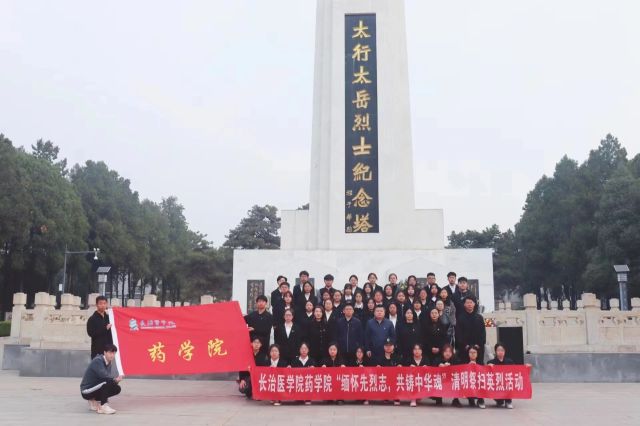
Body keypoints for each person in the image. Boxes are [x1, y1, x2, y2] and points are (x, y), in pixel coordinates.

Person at [80, 343, 122, 414]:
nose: (112, 355)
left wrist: (115, 381)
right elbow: (104, 376)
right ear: (104, 352)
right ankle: (103, 406)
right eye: (110, 353)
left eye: (114, 353)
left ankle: (93, 400)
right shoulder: (98, 361)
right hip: (86, 390)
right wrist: (114, 380)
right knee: (108, 382)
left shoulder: (109, 362)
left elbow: (107, 378)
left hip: (94, 387)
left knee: (117, 388)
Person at [455, 296, 486, 363]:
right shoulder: (460, 318)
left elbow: (483, 333)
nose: (469, 304)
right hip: (464, 348)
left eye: (471, 302)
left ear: (474, 304)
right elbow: (458, 334)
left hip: (477, 347)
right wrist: (464, 345)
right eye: (467, 303)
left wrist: (479, 344)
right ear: (464, 304)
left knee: (478, 366)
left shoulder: (479, 318)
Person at [487, 342, 515, 409]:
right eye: (498, 350)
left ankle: (508, 401)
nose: (500, 352)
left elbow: (516, 371)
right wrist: (488, 367)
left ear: (504, 351)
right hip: (497, 384)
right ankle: (499, 400)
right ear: (495, 351)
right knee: (499, 401)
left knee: (509, 382)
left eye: (502, 350)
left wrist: (526, 367)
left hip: (506, 384)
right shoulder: (491, 362)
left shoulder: (510, 362)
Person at [378, 338, 401, 405]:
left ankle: (396, 397)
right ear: (384, 347)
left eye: (390, 346)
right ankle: (385, 396)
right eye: (386, 346)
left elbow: (401, 369)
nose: (388, 347)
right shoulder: (380, 357)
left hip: (394, 379)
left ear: (393, 346)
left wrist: (400, 366)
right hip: (384, 379)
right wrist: (378, 368)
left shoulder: (397, 357)